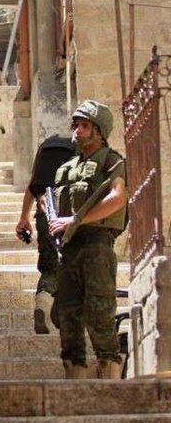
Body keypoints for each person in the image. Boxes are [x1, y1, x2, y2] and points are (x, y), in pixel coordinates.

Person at [49, 100, 127, 379]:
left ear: (99, 132)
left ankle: (109, 379)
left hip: (97, 245)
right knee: (68, 318)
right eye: (76, 125)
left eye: (85, 126)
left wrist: (76, 220)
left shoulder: (111, 160)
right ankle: (75, 381)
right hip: (68, 249)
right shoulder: (67, 167)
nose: (77, 131)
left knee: (99, 314)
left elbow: (118, 198)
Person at [15, 135, 76, 334]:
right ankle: (60, 315)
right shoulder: (81, 149)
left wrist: (23, 218)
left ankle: (43, 302)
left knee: (50, 266)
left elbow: (33, 185)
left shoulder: (46, 147)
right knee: (72, 267)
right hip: (72, 215)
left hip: (46, 212)